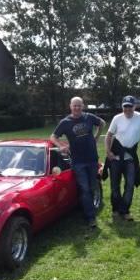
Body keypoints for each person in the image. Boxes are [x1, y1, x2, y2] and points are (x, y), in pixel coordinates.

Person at [50, 96, 106, 228]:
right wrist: (60, 146)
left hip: (92, 158)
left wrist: (96, 137)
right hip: (78, 161)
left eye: (79, 105)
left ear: (83, 106)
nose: (76, 108)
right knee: (84, 189)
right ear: (70, 106)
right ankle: (91, 217)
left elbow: (102, 123)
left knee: (92, 186)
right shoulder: (65, 122)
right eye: (74, 105)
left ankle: (89, 208)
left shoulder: (89, 117)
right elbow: (53, 136)